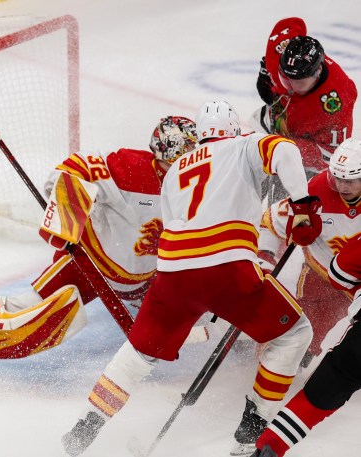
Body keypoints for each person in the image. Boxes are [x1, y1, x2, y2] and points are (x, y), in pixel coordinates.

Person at [61, 101, 320, 457]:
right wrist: (303, 205)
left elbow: (178, 227)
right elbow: (284, 149)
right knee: (295, 333)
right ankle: (253, 429)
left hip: (172, 274)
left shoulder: (176, 169)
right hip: (228, 269)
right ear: (232, 129)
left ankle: (86, 427)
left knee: (138, 354)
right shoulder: (242, 145)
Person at [0, 116, 204, 375]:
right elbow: (74, 169)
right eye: (185, 154)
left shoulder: (200, 183)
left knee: (201, 310)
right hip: (90, 265)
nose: (192, 161)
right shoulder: (130, 169)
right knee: (39, 323)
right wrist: (66, 215)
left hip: (148, 280)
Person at [251, 214, 361, 457]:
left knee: (320, 393)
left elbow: (340, 273)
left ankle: (269, 445)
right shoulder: (320, 188)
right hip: (316, 284)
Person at [259, 137, 361, 367]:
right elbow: (270, 221)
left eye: (350, 180)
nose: (342, 187)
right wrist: (264, 257)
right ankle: (276, 367)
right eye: (338, 179)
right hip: (322, 277)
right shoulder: (316, 191)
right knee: (301, 335)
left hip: (358, 281)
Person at [252, 17, 357, 202]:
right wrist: (268, 80)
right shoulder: (278, 51)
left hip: (305, 151)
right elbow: (293, 23)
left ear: (316, 73)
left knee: (283, 208)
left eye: (298, 82)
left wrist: (286, 148)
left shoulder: (336, 104)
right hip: (278, 127)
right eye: (285, 78)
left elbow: (329, 156)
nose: (289, 86)